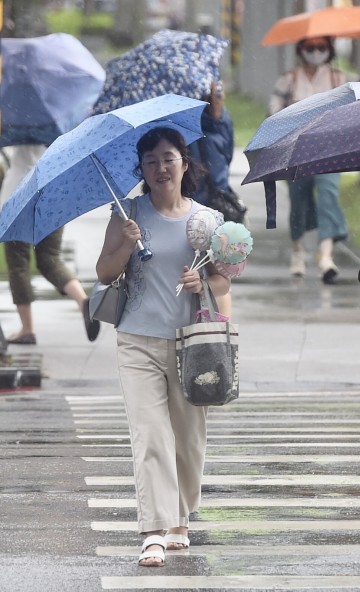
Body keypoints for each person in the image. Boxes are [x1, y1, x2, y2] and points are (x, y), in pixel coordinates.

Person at [95, 126, 230, 567]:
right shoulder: (127, 213)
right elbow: (103, 271)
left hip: (190, 345)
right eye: (150, 160)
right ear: (142, 168)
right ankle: (154, 530)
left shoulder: (206, 219)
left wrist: (202, 281)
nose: (159, 167)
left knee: (189, 440)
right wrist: (127, 245)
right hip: (137, 340)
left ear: (185, 164)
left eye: (168, 158)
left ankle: (180, 518)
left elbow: (224, 279)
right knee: (150, 435)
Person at [0, 144, 100, 345]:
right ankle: (83, 301)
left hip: (17, 195)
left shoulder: (14, 121)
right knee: (50, 258)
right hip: (52, 193)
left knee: (18, 265)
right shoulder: (57, 122)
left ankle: (27, 329)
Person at [269, 36, 348, 284]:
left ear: (329, 50)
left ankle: (325, 256)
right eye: (310, 48)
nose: (316, 52)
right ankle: (298, 250)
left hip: (328, 148)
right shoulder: (289, 78)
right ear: (301, 49)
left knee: (328, 194)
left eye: (321, 48)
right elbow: (274, 109)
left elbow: (350, 109)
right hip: (297, 148)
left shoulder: (338, 78)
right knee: (298, 198)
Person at [189, 81, 236, 317]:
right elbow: (224, 157)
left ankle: (222, 330)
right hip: (195, 205)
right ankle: (217, 327)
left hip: (214, 204)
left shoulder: (223, 120)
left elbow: (225, 159)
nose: (218, 97)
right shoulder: (191, 121)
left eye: (219, 92)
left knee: (218, 273)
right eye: (214, 93)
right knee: (201, 272)